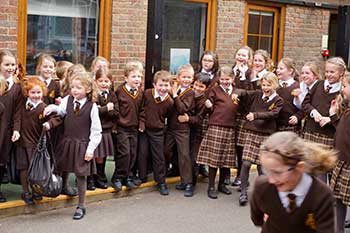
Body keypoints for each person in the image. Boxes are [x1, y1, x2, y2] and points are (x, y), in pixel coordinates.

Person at [250, 131, 336, 233]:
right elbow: (257, 219)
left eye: (277, 172)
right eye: (266, 171)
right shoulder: (263, 187)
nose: (271, 180)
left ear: (300, 167)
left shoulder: (322, 195)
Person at [44, 71, 102, 220]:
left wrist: (90, 149)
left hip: (82, 145)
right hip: (67, 141)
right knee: (62, 167)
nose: (74, 90)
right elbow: (61, 111)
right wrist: (51, 107)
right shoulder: (68, 100)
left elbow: (96, 131)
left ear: (88, 89)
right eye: (73, 87)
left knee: (81, 175)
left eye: (78, 87)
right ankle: (62, 187)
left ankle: (81, 205)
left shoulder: (92, 107)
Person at [12, 77, 60, 204]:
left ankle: (36, 191)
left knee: (36, 170)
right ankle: (26, 191)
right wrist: (16, 130)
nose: (36, 95)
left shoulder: (44, 107)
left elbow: (57, 118)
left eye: (38, 92)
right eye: (33, 92)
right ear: (27, 93)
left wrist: (49, 124)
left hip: (36, 145)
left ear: (43, 92)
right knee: (24, 168)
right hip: (22, 143)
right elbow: (17, 118)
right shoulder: (22, 105)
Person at [238, 72, 284, 206]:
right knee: (246, 163)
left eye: (268, 85)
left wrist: (256, 115)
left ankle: (262, 193)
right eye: (263, 85)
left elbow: (273, 114)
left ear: (275, 85)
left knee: (261, 167)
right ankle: (243, 192)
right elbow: (245, 94)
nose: (265, 88)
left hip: (266, 135)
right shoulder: (257, 94)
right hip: (252, 132)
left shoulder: (278, 100)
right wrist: (238, 94)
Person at [302, 57, 346, 182]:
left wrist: (330, 119)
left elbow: (344, 115)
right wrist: (313, 112)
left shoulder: (343, 92)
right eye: (327, 71)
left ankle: (321, 197)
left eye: (332, 72)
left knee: (323, 170)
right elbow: (305, 104)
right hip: (311, 131)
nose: (328, 75)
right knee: (308, 167)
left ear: (341, 73)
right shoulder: (318, 84)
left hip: (328, 135)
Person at [197, 66, 238, 199]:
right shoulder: (214, 90)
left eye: (227, 79)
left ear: (233, 79)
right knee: (214, 159)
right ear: (219, 79)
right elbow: (209, 106)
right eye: (222, 79)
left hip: (230, 127)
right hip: (216, 127)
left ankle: (222, 185)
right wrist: (209, 105)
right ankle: (211, 186)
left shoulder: (237, 92)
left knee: (226, 159)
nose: (225, 82)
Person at [138, 70, 174, 195]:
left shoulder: (170, 102)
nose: (163, 88)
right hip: (144, 129)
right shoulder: (147, 94)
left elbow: (168, 116)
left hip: (158, 131)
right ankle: (142, 177)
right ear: (154, 85)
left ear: (170, 86)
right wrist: (142, 123)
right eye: (160, 85)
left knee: (159, 156)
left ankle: (161, 181)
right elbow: (141, 109)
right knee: (142, 153)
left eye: (166, 85)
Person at [111, 61, 144, 191]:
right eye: (134, 76)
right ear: (126, 78)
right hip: (122, 128)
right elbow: (116, 110)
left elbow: (142, 110)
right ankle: (117, 177)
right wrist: (115, 126)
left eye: (139, 77)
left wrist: (141, 123)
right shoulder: (120, 91)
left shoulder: (140, 93)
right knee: (123, 153)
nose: (137, 79)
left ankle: (128, 177)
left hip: (134, 128)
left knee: (132, 153)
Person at [164, 64, 195, 197]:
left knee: (184, 155)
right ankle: (170, 171)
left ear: (192, 79)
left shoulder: (190, 93)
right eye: (184, 77)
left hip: (182, 129)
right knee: (166, 150)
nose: (186, 80)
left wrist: (175, 95)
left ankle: (188, 183)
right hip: (171, 127)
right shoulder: (173, 89)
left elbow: (182, 109)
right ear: (178, 77)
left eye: (189, 77)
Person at [178, 72, 211, 185]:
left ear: (206, 88)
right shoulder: (189, 94)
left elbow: (199, 118)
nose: (197, 88)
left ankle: (191, 184)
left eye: (201, 86)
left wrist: (188, 119)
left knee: (193, 158)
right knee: (184, 154)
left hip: (197, 132)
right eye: (195, 85)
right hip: (185, 130)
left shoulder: (203, 101)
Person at [88, 68, 118, 190]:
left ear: (111, 82)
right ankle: (90, 178)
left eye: (106, 81)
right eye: (101, 81)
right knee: (93, 154)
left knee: (102, 155)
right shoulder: (92, 95)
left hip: (106, 129)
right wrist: (106, 108)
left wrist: (103, 110)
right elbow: (93, 112)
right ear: (95, 81)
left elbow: (116, 112)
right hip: (94, 129)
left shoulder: (112, 95)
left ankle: (100, 176)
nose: (104, 83)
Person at [0, 50, 22, 202]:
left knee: (2, 160)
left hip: (6, 130)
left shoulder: (17, 87)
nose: (10, 67)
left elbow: (17, 111)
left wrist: (16, 129)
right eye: (6, 64)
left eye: (13, 64)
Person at [329, 71, 350, 233]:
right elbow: (342, 132)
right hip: (342, 161)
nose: (342, 90)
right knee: (338, 199)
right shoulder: (347, 109)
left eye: (344, 86)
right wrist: (334, 116)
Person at [232, 45, 253, 187]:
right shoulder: (230, 71)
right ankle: (226, 176)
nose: (240, 57)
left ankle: (240, 175)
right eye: (239, 54)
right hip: (230, 113)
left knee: (241, 147)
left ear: (249, 59)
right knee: (230, 145)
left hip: (243, 114)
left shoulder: (250, 73)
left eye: (244, 55)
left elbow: (249, 92)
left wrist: (245, 75)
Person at [275, 57, 303, 133]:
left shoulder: (298, 87)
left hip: (289, 126)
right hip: (273, 125)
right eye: (277, 68)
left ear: (290, 71)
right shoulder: (274, 85)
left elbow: (304, 106)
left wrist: (298, 116)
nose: (277, 70)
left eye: (281, 68)